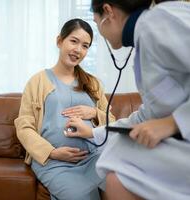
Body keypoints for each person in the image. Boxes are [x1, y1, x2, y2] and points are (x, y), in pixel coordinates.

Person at [66, 0, 190, 199]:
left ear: (108, 12)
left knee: (116, 164)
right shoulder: (145, 40)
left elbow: (160, 119)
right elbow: (147, 115)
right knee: (115, 171)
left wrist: (172, 123)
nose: (100, 32)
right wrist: (93, 132)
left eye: (97, 22)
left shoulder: (159, 22)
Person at [14, 18, 115, 200]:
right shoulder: (38, 81)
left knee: (126, 185)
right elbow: (24, 126)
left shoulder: (93, 83)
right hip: (53, 162)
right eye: (74, 41)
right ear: (60, 41)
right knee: (81, 196)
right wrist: (51, 152)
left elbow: (112, 122)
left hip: (93, 157)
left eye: (85, 46)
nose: (78, 50)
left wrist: (94, 113)